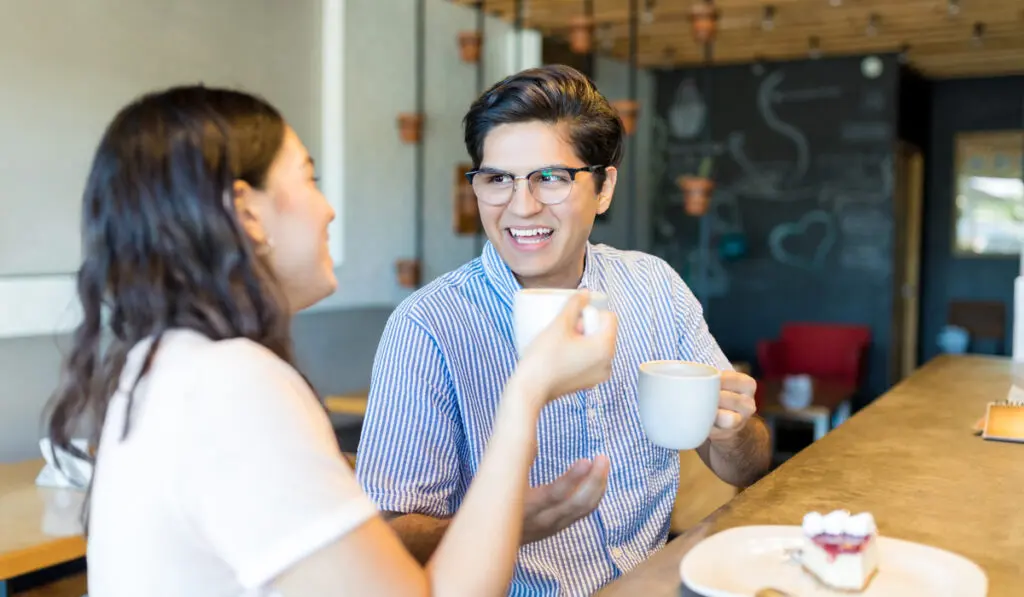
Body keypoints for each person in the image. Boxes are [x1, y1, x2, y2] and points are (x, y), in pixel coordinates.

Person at [44, 84, 618, 597]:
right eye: (310, 179)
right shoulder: (229, 385)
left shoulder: (167, 364)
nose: (329, 209)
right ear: (246, 211)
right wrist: (527, 391)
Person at [355, 64, 772, 596]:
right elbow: (386, 539)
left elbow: (747, 467)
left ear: (604, 188)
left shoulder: (654, 287)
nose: (521, 206)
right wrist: (514, 521)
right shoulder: (429, 327)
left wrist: (736, 430)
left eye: (550, 178)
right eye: (497, 179)